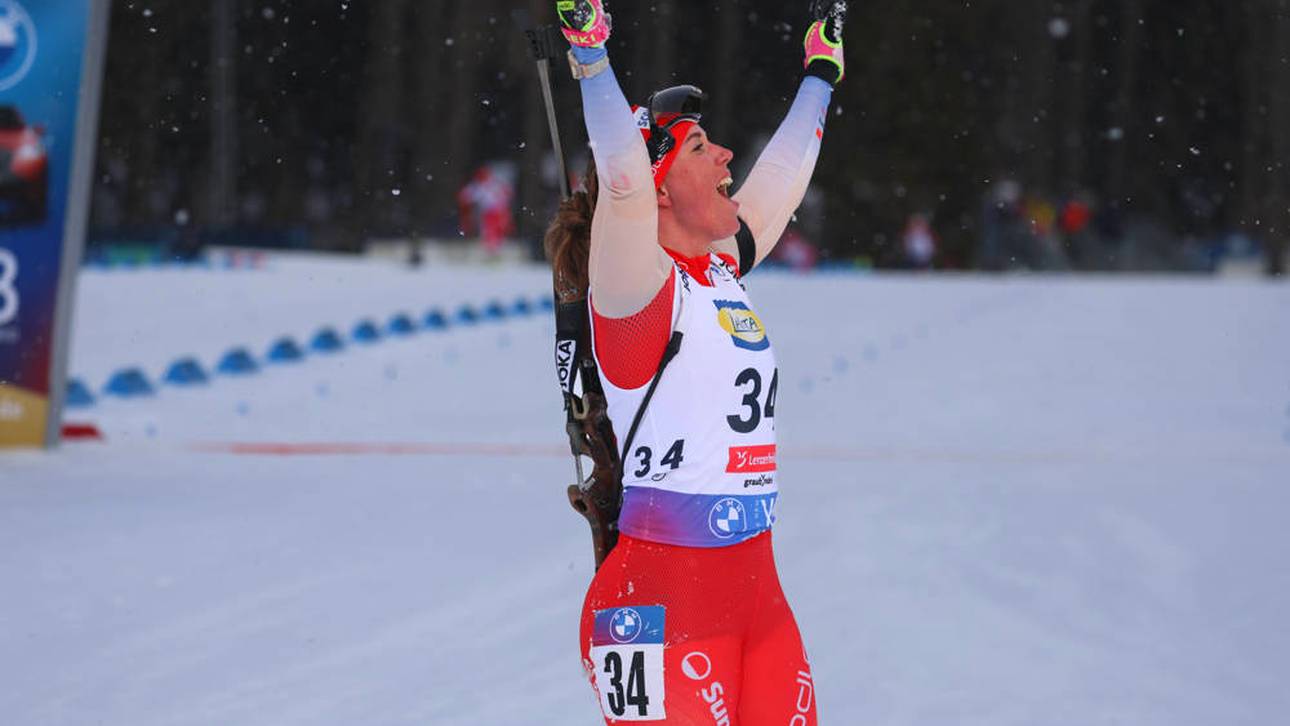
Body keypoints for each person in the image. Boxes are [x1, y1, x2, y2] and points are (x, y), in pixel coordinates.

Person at [544, 1, 845, 722]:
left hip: (757, 598)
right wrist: (589, 53)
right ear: (657, 185)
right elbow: (619, 177)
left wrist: (821, 72)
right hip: (658, 606)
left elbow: (782, 179)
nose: (726, 158)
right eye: (701, 147)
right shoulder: (633, 288)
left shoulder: (717, 273)